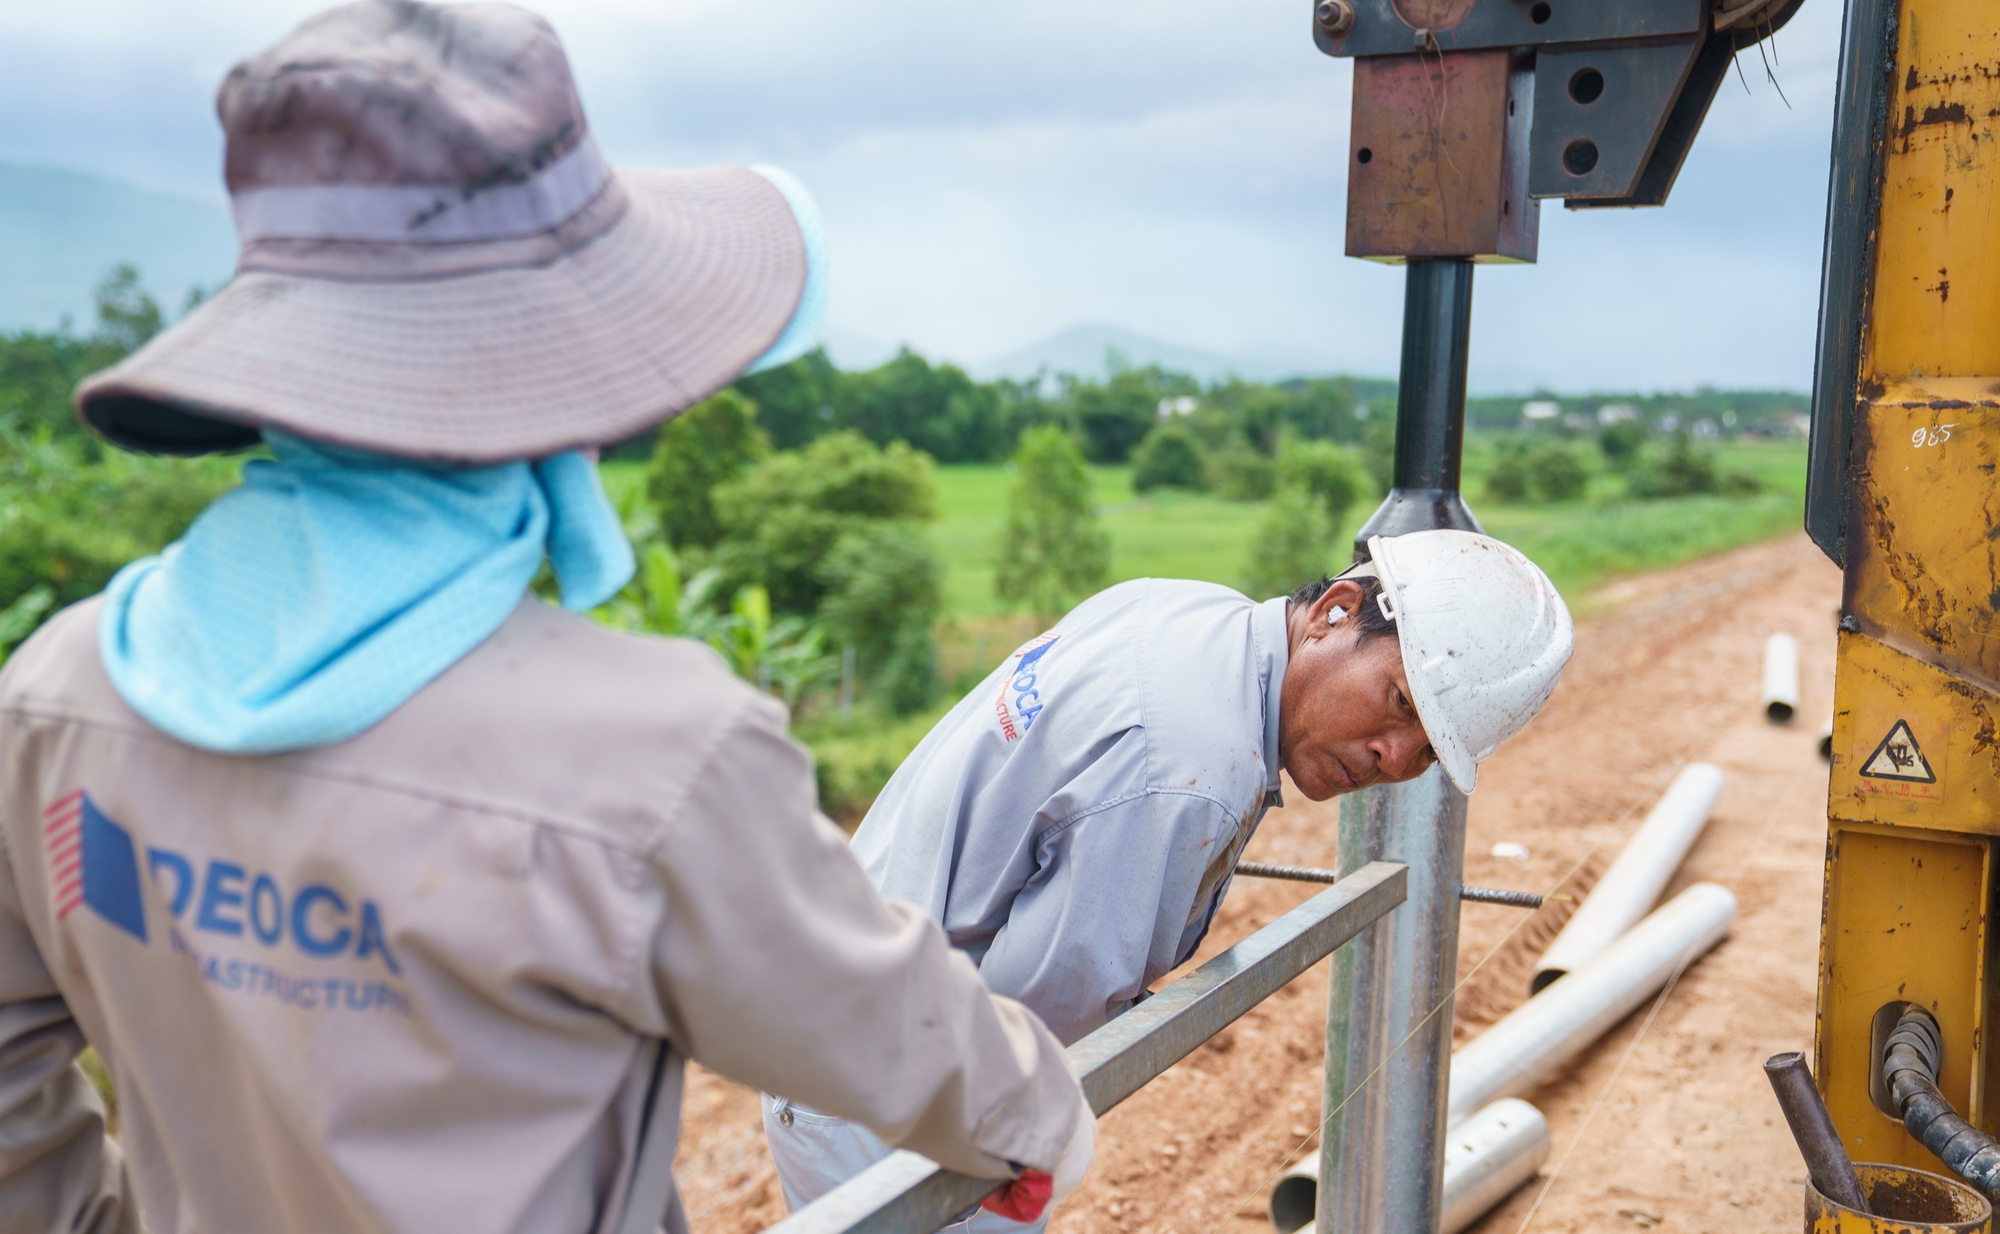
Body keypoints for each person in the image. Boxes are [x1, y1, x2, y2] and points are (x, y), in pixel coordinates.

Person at [0, 4, 1094, 1232]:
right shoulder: (650, 753)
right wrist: (1041, 1116)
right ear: (565, 364)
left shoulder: (57, 695)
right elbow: (876, 1020)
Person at [765, 529, 1574, 1229]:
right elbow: (1033, 1028)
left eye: (1429, 750)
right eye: (1398, 701)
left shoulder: (1186, 612)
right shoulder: (1192, 773)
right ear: (1335, 612)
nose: (1394, 758)